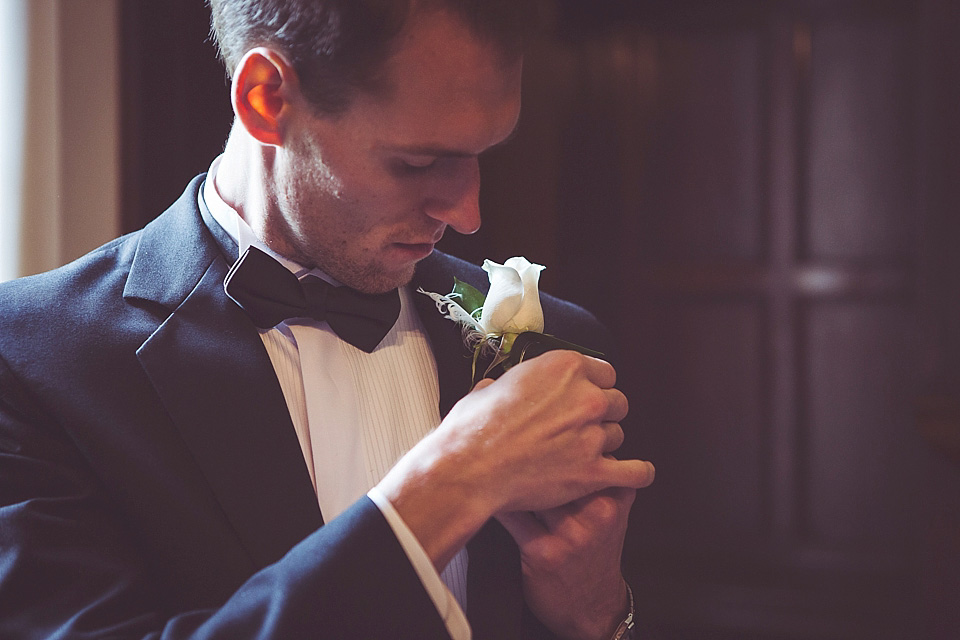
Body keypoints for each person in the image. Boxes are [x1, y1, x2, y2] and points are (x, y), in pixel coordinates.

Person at [0, 1, 656, 638]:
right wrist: (453, 481)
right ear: (266, 99)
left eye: (483, 152)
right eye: (418, 162)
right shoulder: (35, 360)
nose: (467, 213)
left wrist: (596, 615)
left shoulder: (551, 350)